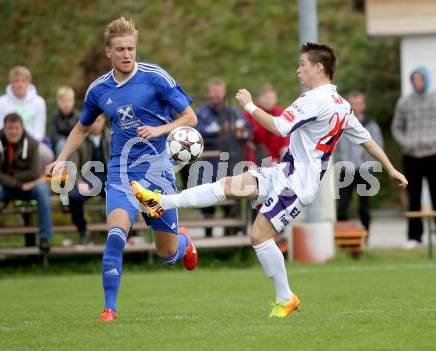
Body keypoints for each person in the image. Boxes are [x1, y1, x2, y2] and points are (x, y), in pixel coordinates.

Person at [132, 43, 408, 318]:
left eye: (302, 64)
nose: (298, 69)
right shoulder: (341, 105)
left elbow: (279, 127)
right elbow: (367, 141)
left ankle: (285, 297)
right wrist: (391, 168)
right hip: (284, 172)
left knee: (259, 235)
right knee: (229, 185)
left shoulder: (313, 100)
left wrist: (249, 105)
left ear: (319, 67)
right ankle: (162, 201)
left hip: (297, 184)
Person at [45, 17, 198, 322]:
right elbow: (81, 128)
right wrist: (61, 157)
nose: (127, 54)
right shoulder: (99, 90)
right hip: (121, 173)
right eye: (120, 49)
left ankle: (183, 241)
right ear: (108, 53)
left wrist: (160, 130)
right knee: (116, 234)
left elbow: (190, 118)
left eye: (131, 48)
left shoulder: (156, 78)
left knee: (167, 255)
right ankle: (109, 309)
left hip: (157, 172)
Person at [194, 77, 251, 237]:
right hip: (207, 166)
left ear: (224, 93)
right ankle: (208, 234)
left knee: (233, 203)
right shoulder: (201, 114)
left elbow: (246, 131)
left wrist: (237, 131)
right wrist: (220, 130)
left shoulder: (233, 112)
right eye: (213, 94)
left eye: (219, 94)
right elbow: (196, 133)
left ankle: (232, 234)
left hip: (231, 165)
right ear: (207, 94)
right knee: (207, 202)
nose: (216, 97)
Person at [391, 66, 436, 249]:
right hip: (411, 156)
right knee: (413, 196)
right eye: (414, 79)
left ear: (426, 80)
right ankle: (414, 237)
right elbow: (396, 127)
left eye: (420, 79)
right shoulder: (404, 102)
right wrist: (406, 143)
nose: (418, 82)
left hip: (433, 154)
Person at [0, 113, 53, 252]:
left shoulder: (33, 143)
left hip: (29, 185)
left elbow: (34, 172)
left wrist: (10, 176)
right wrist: (17, 184)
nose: (13, 131)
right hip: (6, 186)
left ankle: (45, 238)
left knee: (42, 190)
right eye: (10, 128)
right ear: (4, 128)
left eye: (16, 128)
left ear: (22, 128)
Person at [335, 91, 384, 233]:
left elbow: (378, 146)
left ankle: (366, 237)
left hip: (365, 170)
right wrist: (340, 162)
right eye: (353, 104)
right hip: (346, 169)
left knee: (364, 207)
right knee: (342, 206)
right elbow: (334, 146)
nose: (356, 107)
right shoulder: (341, 124)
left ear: (364, 106)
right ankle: (343, 239)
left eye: (359, 104)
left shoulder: (371, 125)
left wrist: (368, 164)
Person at [0, 66, 54, 172]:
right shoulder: (1, 102)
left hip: (31, 143)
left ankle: (37, 180)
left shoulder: (39, 102)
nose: (20, 84)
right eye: (16, 80)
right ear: (11, 82)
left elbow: (39, 130)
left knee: (46, 154)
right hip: (7, 141)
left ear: (29, 82)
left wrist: (27, 147)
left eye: (23, 80)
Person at [67, 115, 110, 245]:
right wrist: (78, 182)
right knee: (73, 197)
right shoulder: (78, 138)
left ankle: (127, 232)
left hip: (110, 178)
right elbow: (72, 164)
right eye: (92, 121)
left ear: (104, 121)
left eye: (98, 121)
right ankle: (83, 231)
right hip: (87, 180)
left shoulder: (112, 136)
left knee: (128, 193)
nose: (95, 124)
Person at [244, 84, 289, 164]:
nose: (269, 101)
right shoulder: (250, 114)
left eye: (272, 98)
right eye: (266, 98)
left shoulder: (281, 113)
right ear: (259, 98)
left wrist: (283, 159)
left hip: (277, 160)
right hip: (256, 159)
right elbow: (246, 140)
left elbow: (286, 139)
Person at [50, 86, 80, 156]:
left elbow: (80, 132)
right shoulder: (55, 117)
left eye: (69, 100)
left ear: (73, 101)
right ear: (58, 102)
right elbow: (54, 134)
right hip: (60, 143)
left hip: (75, 143)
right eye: (63, 101)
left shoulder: (78, 116)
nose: (66, 104)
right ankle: (62, 166)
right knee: (62, 145)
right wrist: (64, 141)